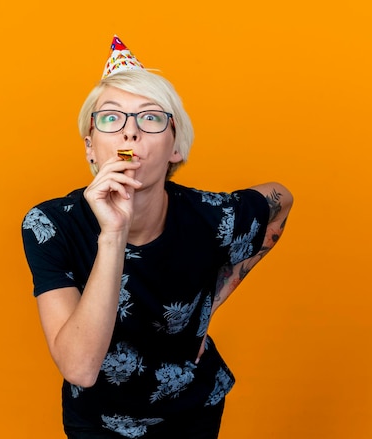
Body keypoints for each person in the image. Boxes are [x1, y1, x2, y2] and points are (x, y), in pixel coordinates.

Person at [21, 35, 293, 439]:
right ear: (90, 147)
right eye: (111, 118)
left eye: (150, 118)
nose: (130, 134)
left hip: (192, 410)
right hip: (98, 419)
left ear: (175, 148)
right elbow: (79, 367)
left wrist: (208, 306)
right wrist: (113, 233)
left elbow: (281, 199)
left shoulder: (211, 216)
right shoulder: (50, 225)